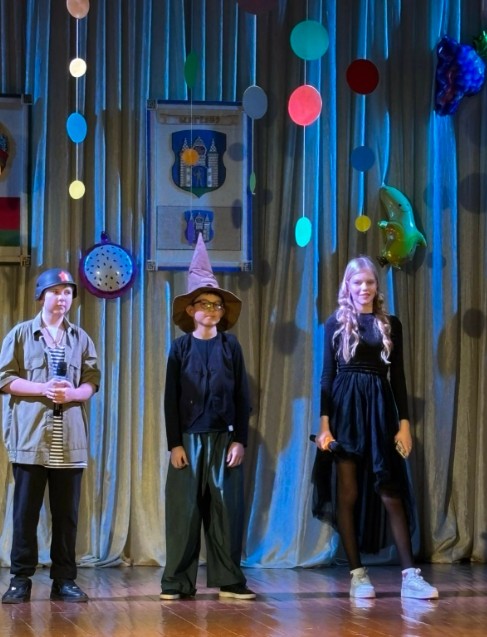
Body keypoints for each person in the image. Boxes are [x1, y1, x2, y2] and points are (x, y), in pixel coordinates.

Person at [312, 256, 438, 600]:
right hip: (345, 408)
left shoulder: (390, 324)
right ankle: (357, 574)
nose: (364, 288)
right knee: (348, 492)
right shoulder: (335, 323)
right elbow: (327, 376)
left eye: (369, 282)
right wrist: (324, 425)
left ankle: (410, 576)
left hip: (379, 409)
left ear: (377, 286)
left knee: (390, 490)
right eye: (358, 282)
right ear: (348, 286)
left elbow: (399, 377)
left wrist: (404, 424)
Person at [160, 233, 255, 601]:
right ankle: (177, 582)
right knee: (184, 513)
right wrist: (175, 444)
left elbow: (242, 397)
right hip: (189, 440)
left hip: (223, 439)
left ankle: (230, 580)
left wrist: (239, 440)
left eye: (217, 304)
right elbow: (170, 400)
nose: (212, 309)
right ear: (190, 310)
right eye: (205, 303)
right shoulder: (180, 348)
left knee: (225, 511)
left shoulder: (231, 345)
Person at [0, 268, 100, 604]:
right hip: (31, 439)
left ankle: (64, 580)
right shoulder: (21, 334)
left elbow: (92, 381)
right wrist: (42, 388)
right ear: (41, 296)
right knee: (25, 514)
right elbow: (5, 379)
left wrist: (74, 394)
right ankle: (20, 580)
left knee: (66, 516)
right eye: (55, 292)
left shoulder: (80, 338)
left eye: (67, 292)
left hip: (69, 441)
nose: (62, 298)